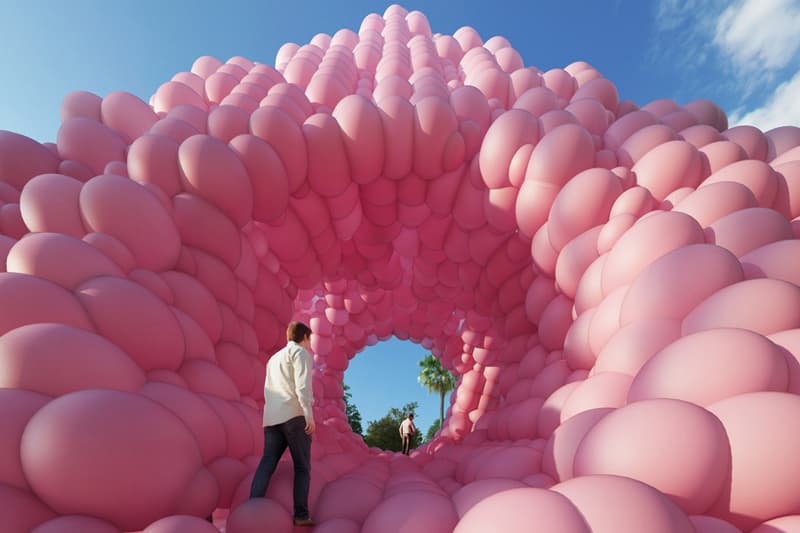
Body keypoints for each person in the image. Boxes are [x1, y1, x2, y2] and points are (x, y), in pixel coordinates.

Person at [250, 321, 316, 527]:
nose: (310, 343)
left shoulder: (273, 359)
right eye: (310, 338)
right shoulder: (300, 353)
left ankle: (251, 509)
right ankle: (301, 515)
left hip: (271, 418)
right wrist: (308, 415)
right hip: (294, 416)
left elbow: (268, 389)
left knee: (267, 463)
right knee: (302, 468)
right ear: (304, 336)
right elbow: (302, 386)